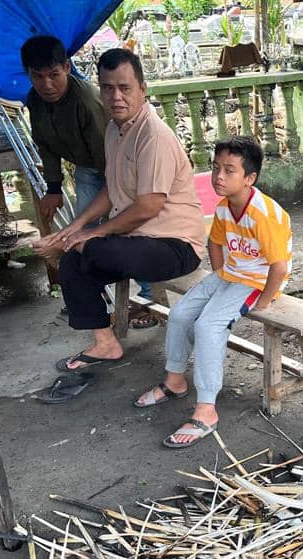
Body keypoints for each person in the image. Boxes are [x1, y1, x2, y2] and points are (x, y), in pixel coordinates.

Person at [34, 48, 204, 384]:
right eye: (108, 88)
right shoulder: (114, 129)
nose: (116, 96)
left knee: (91, 247)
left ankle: (75, 246)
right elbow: (112, 190)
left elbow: (148, 207)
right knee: (73, 261)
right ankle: (106, 343)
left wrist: (89, 236)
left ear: (143, 89)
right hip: (137, 240)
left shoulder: (153, 135)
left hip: (176, 246)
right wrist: (76, 227)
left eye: (125, 88)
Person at [133, 136, 291, 448]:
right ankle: (175, 381)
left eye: (229, 171)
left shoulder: (262, 214)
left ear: (249, 178)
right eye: (216, 168)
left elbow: (280, 268)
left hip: (257, 281)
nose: (219, 176)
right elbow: (214, 242)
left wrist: (264, 299)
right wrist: (219, 273)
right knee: (179, 314)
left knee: (208, 326)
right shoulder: (222, 208)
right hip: (231, 273)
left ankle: (206, 410)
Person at [22, 36, 158, 329]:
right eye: (38, 76)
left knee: (129, 230)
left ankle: (150, 300)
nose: (47, 85)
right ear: (28, 75)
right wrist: (54, 188)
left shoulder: (86, 101)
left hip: (114, 170)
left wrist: (116, 205)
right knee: (82, 232)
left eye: (54, 75)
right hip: (87, 169)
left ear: (67, 68)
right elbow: (44, 145)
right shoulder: (34, 100)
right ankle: (92, 297)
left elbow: (110, 159)